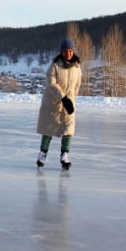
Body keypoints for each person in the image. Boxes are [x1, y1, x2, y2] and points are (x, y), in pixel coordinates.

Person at [36, 38, 82, 170]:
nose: (68, 53)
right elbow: (51, 84)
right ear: (61, 52)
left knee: (68, 129)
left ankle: (65, 154)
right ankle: (43, 154)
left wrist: (71, 99)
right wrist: (63, 98)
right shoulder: (55, 66)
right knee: (48, 129)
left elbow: (77, 85)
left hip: (68, 104)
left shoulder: (77, 67)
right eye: (65, 51)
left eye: (70, 51)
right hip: (52, 103)